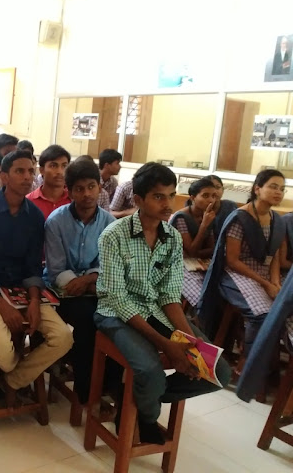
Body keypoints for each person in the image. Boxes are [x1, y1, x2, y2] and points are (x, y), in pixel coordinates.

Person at [95, 162, 231, 445]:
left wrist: (192, 343)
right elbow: (119, 299)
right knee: (149, 371)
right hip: (115, 313)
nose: (168, 204)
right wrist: (166, 344)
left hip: (156, 311)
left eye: (171, 195)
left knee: (218, 371)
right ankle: (147, 416)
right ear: (138, 199)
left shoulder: (171, 238)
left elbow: (169, 297)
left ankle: (138, 398)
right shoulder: (113, 235)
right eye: (158, 196)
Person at [0, 149, 72, 400]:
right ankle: (14, 376)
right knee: (2, 351)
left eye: (30, 171)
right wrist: (3, 306)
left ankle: (11, 381)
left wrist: (34, 301)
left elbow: (33, 267)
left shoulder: (34, 216)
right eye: (19, 171)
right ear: (4, 177)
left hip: (22, 290)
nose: (27, 177)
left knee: (63, 338)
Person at [44, 158, 116, 404]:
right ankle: (85, 392)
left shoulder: (109, 223)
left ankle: (110, 385)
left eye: (91, 187)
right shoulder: (56, 221)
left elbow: (108, 264)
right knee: (88, 319)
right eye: (80, 188)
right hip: (61, 289)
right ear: (70, 191)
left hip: (95, 287)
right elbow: (56, 269)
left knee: (114, 317)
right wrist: (87, 281)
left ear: (99, 187)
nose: (87, 194)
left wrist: (90, 278)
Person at [199, 170, 286, 359]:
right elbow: (232, 260)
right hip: (236, 274)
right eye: (273, 187)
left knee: (284, 310)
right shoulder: (241, 217)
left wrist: (276, 282)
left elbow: (275, 255)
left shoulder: (277, 220)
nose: (278, 192)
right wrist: (265, 284)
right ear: (257, 189)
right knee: (262, 315)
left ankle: (269, 365)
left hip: (265, 276)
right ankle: (247, 363)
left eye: (282, 189)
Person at [169, 179, 218, 308]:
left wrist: (198, 253)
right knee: (202, 297)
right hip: (177, 265)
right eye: (205, 196)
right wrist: (203, 226)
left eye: (213, 196)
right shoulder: (181, 217)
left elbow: (212, 248)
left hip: (198, 263)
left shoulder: (208, 216)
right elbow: (191, 251)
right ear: (193, 198)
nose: (211, 200)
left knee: (218, 287)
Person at [26, 145, 71, 220]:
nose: (60, 172)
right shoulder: (28, 202)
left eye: (64, 166)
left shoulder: (74, 201)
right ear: (41, 170)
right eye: (53, 166)